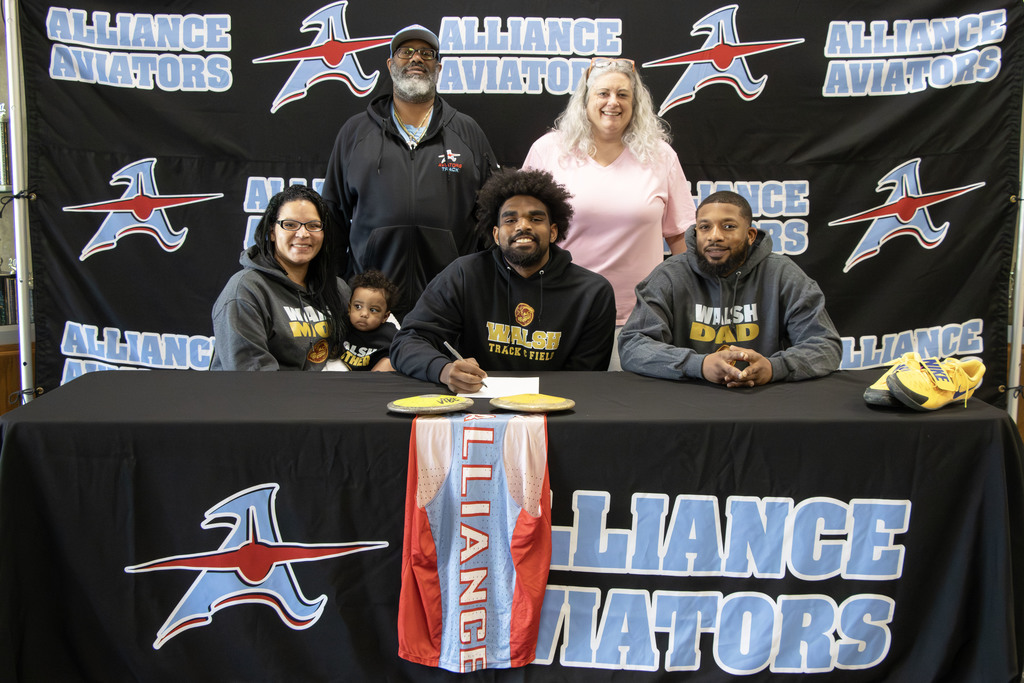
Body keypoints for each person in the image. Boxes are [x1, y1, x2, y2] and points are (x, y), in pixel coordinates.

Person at [523, 57, 695, 369]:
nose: (612, 102)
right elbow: (522, 231)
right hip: (560, 313)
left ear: (636, 102)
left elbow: (681, 237)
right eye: (603, 93)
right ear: (585, 100)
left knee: (630, 412)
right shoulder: (549, 150)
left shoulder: (661, 155)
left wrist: (690, 305)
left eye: (622, 94)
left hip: (641, 319)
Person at [321, 24, 498, 320]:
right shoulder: (355, 132)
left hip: (451, 301)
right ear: (391, 65)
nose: (417, 58)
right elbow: (333, 216)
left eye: (426, 53)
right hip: (371, 305)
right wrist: (337, 289)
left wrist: (483, 285)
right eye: (406, 52)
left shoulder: (468, 131)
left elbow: (493, 218)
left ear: (438, 68)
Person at [390, 168, 616, 393]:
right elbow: (406, 342)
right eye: (511, 219)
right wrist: (444, 370)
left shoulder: (593, 292)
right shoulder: (464, 275)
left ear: (553, 232)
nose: (523, 225)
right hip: (475, 406)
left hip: (553, 412)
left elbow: (586, 379)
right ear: (496, 235)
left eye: (536, 218)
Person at [618, 191, 841, 386]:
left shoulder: (783, 274)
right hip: (686, 401)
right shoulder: (669, 276)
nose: (715, 236)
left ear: (750, 235)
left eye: (728, 226)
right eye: (705, 227)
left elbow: (825, 346)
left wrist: (774, 368)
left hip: (766, 399)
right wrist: (699, 365)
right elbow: (633, 345)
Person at [211, 185, 350, 371]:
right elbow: (251, 381)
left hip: (330, 396)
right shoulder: (245, 291)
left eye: (314, 225)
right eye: (290, 225)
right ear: (271, 232)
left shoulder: (338, 289)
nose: (303, 234)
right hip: (266, 398)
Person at [340, 269, 398, 371]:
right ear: (349, 308)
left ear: (385, 316)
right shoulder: (341, 327)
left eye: (373, 310)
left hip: (374, 383)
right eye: (358, 307)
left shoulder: (390, 335)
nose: (364, 314)